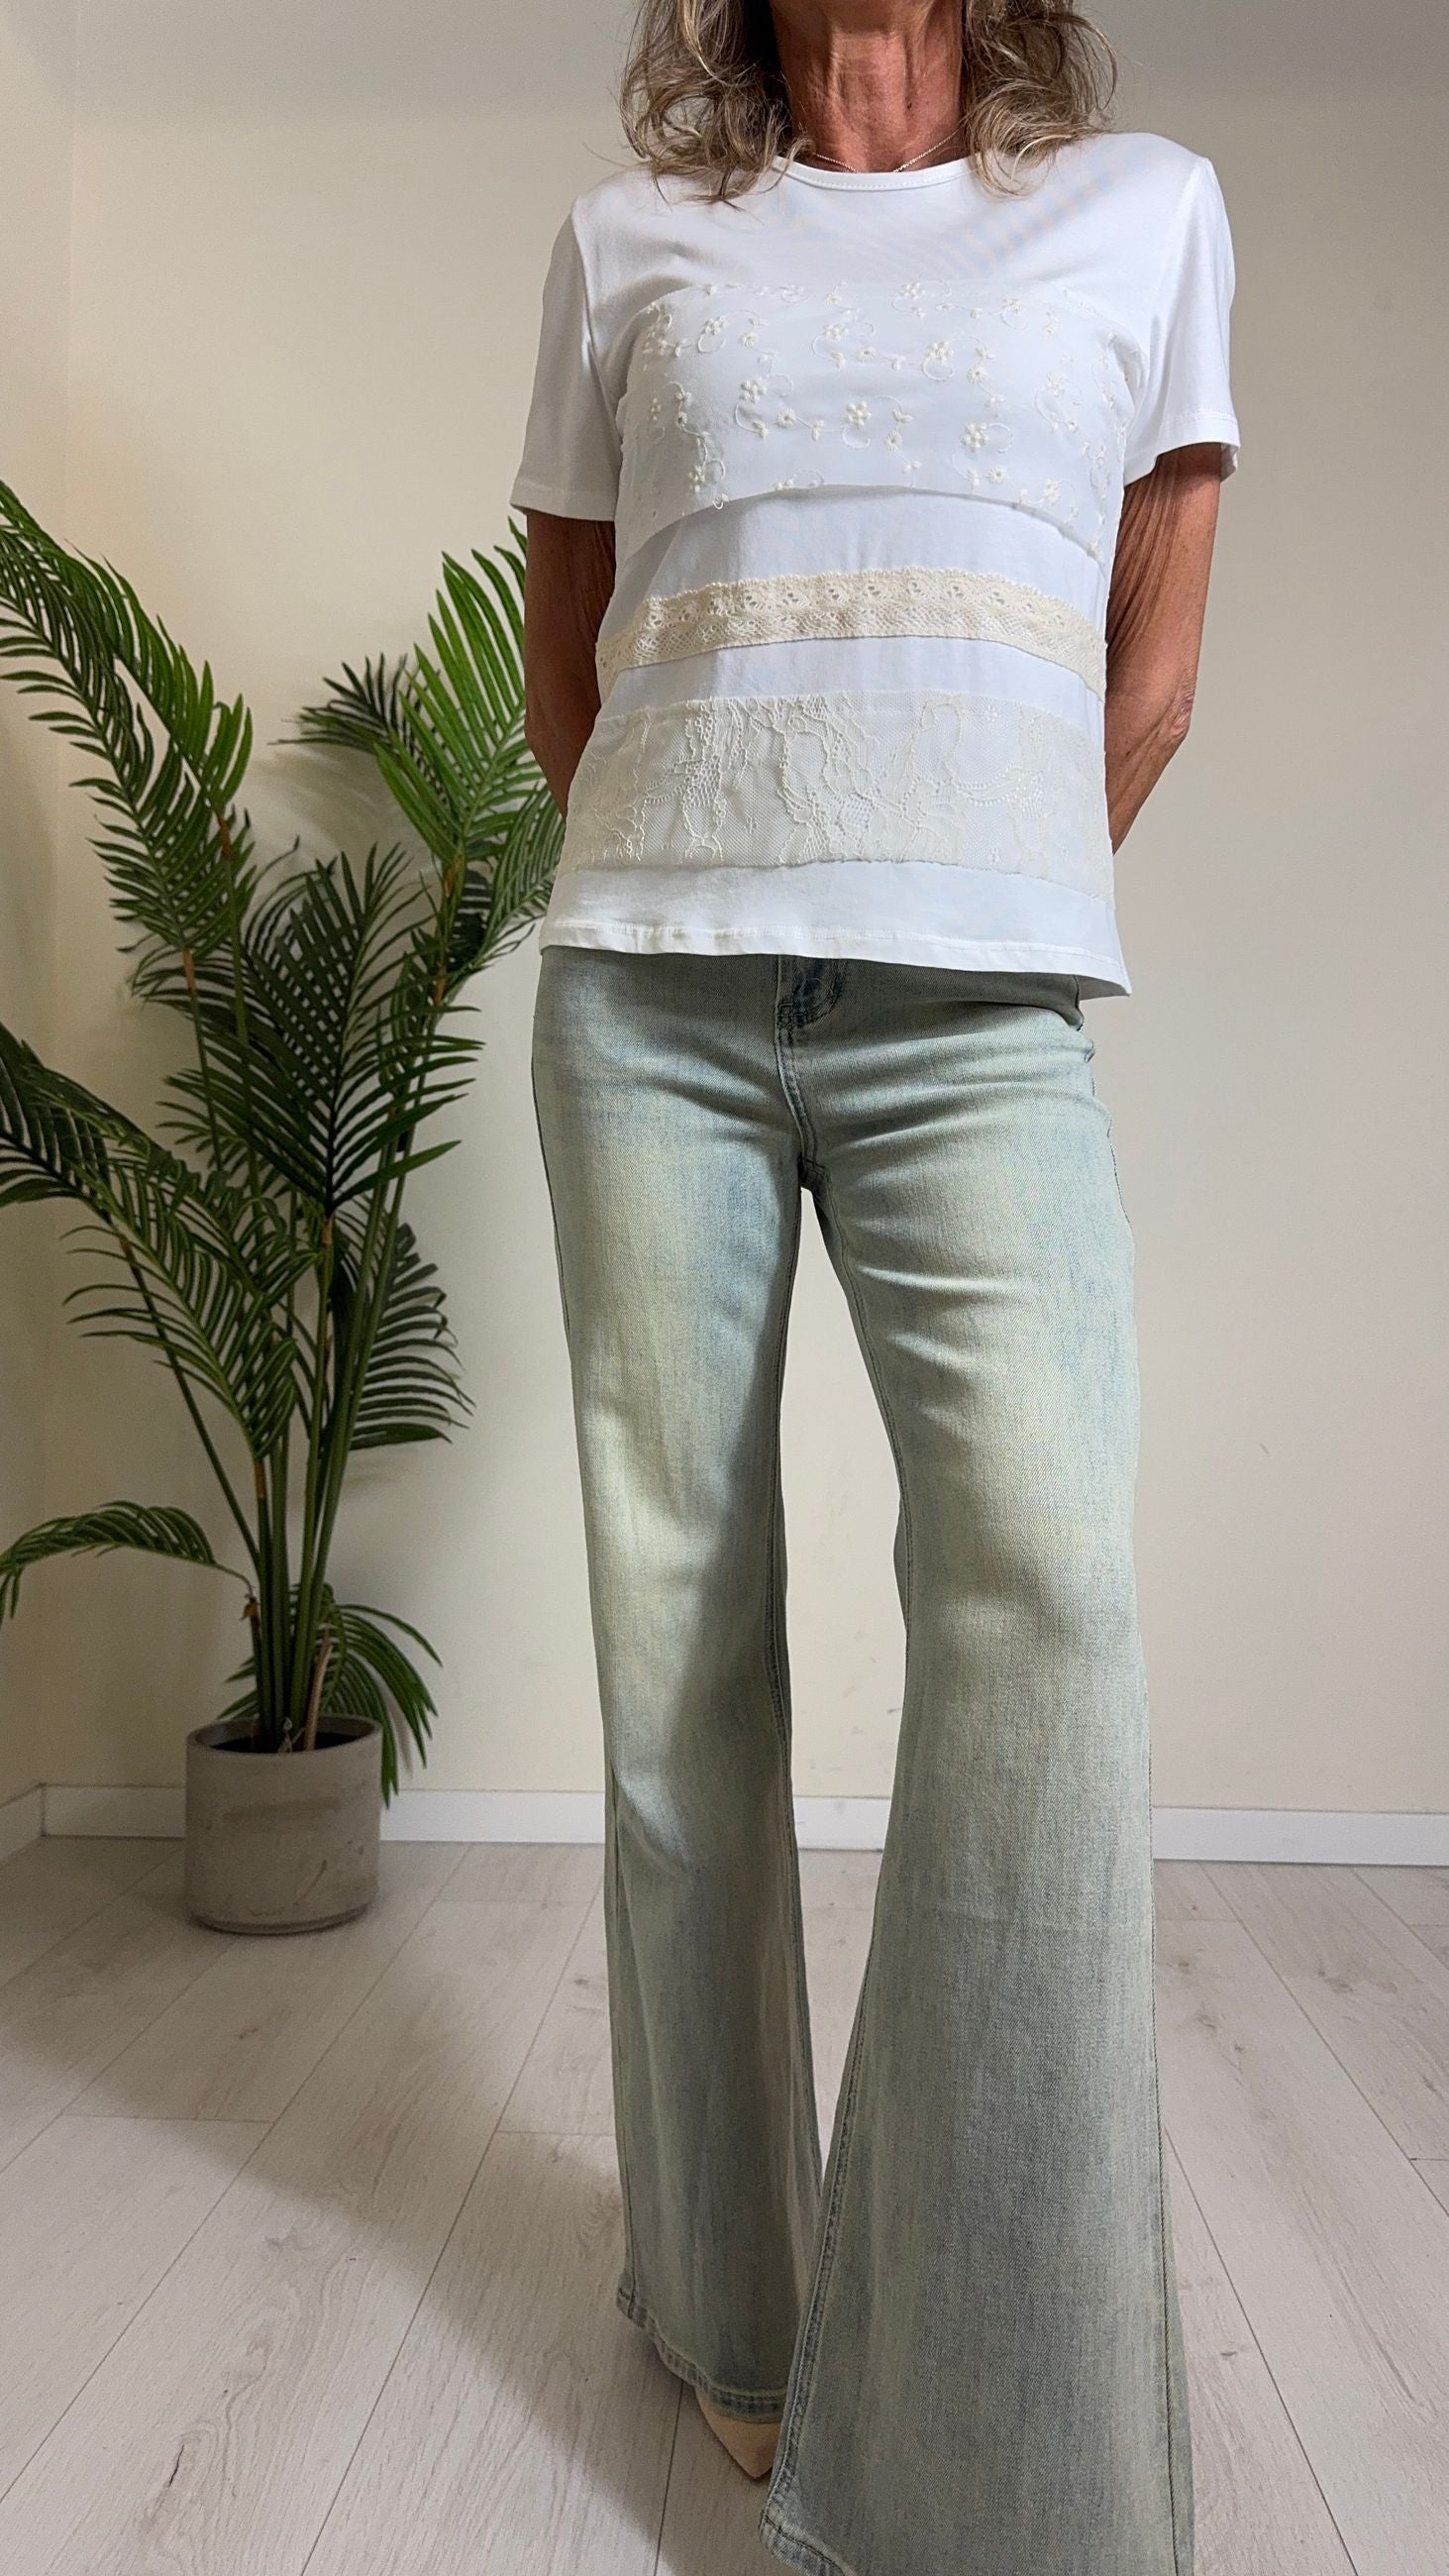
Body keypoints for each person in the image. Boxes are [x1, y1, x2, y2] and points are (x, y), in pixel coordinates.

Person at [512, 3, 1237, 2568]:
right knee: (678, 1654)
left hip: (975, 1016)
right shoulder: (631, 243)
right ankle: (731, 2304)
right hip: (654, 1002)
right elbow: (568, 660)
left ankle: (982, 2397)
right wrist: (700, 873)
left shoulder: (1144, 216)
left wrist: (973, 869)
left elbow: (1154, 670)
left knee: (1048, 1594)